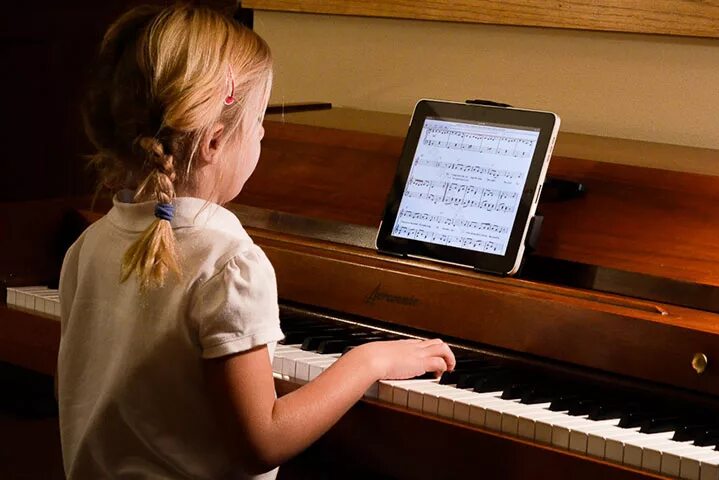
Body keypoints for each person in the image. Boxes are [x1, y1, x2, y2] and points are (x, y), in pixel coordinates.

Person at [57, 4, 455, 479]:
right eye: (259, 120)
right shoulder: (230, 263)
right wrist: (367, 360)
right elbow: (262, 442)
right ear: (213, 143)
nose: (265, 132)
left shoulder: (90, 244)